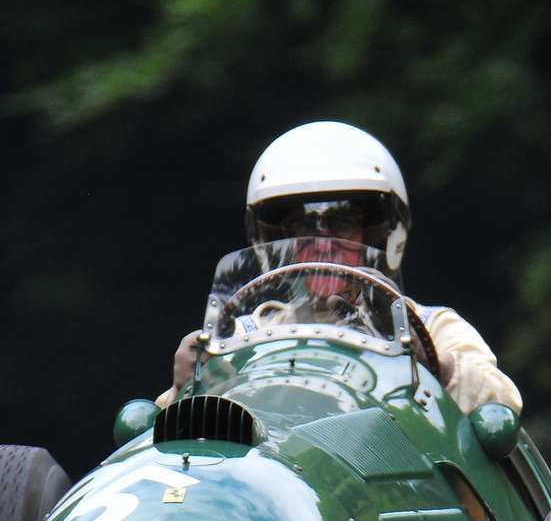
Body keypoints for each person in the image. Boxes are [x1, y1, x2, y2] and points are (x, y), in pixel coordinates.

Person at [161, 121, 521, 416]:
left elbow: (504, 405)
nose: (322, 243)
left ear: (378, 235)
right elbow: (171, 441)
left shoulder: (430, 326)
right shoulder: (244, 336)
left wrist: (436, 364)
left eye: (343, 221)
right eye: (303, 226)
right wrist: (186, 385)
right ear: (276, 240)